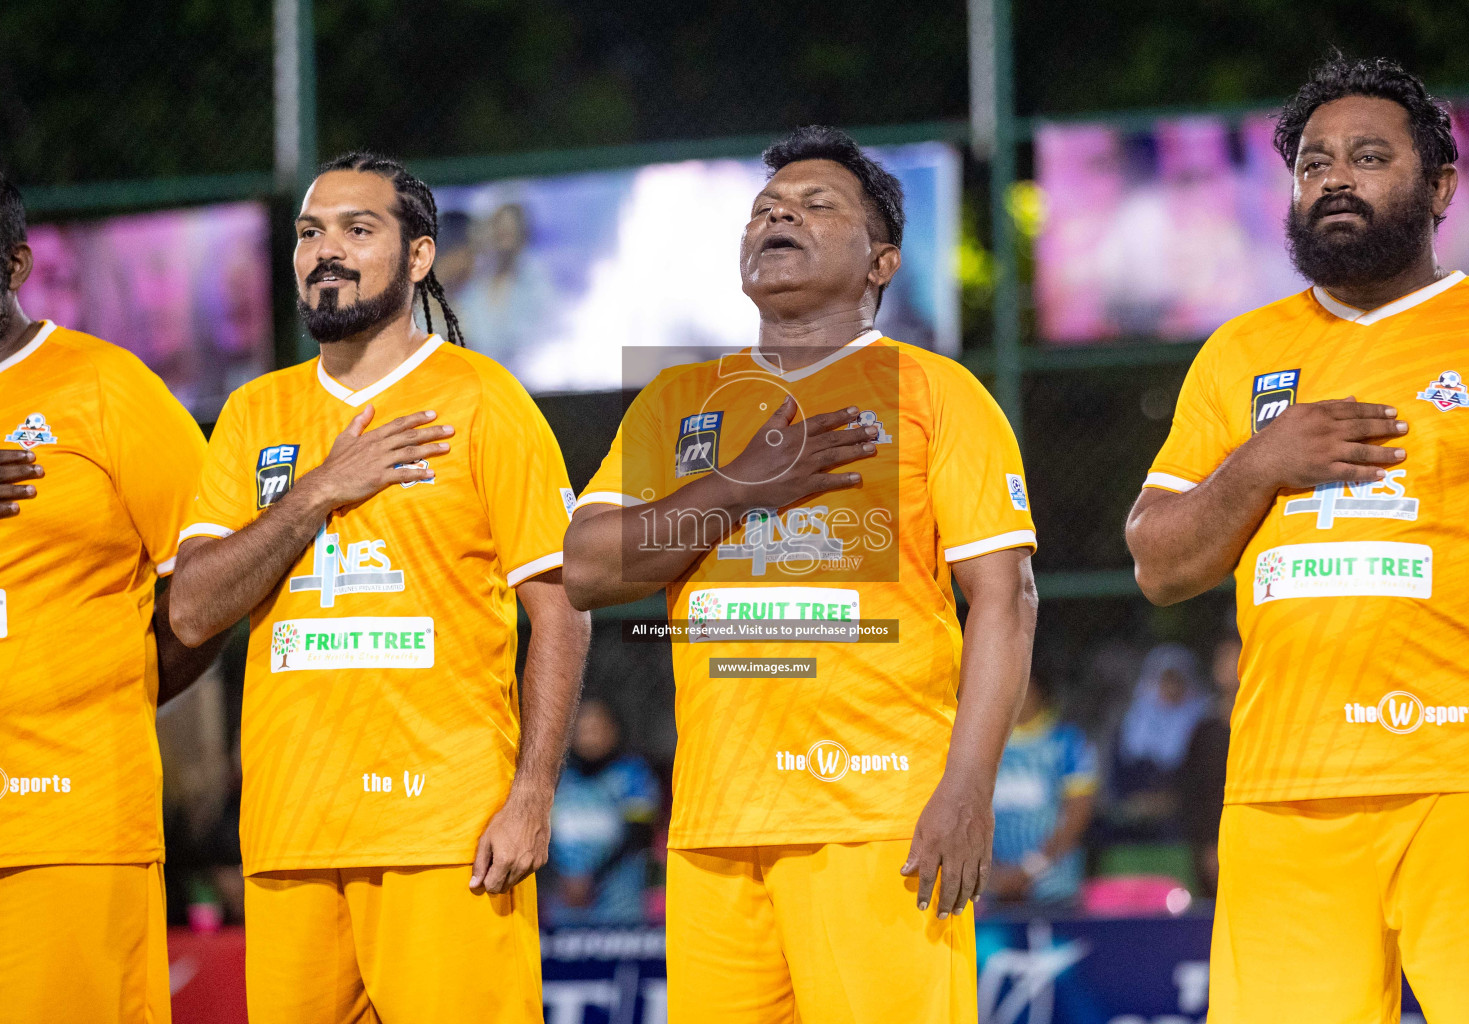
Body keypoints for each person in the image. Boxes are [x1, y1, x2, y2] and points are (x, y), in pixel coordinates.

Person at [563, 125, 1039, 1024]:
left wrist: (968, 790)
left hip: (881, 821)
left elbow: (1006, 601)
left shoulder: (939, 392)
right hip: (713, 827)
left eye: (818, 204)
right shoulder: (676, 399)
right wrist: (743, 483)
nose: (778, 212)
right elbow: (585, 568)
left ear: (881, 263)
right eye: (766, 208)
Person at [1126, 54, 1469, 1023]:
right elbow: (1158, 560)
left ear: (1439, 188)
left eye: (1367, 156)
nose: (1334, 178)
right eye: (1312, 164)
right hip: (1283, 796)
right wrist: (1263, 461)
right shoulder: (1240, 354)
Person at [168, 152, 590, 1023]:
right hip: (289, 837)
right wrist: (321, 486)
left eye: (359, 230)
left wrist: (533, 796)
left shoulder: (484, 400)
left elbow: (563, 609)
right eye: (310, 232)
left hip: (447, 836)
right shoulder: (255, 413)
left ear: (419, 257)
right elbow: (195, 607)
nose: (328, 250)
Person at [0, 169, 221, 1023]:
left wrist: (118, 692)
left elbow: (213, 581)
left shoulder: (105, 388)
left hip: (66, 822)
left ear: (16, 264)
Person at [545, 698, 662, 925]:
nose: (590, 738)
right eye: (583, 730)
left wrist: (590, 878)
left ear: (613, 729)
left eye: (597, 729)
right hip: (564, 894)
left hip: (618, 895)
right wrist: (561, 878)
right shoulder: (557, 777)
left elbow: (639, 835)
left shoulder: (633, 774)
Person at [987, 674, 1099, 907]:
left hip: (1055, 889)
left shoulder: (1067, 741)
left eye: (1023, 687)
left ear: (1040, 692)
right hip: (993, 890)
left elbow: (1077, 815)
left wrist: (1029, 870)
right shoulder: (981, 745)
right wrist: (993, 877)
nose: (1014, 695)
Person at [1105, 643, 1209, 838]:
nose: (1171, 688)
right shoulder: (1130, 725)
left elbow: (1201, 781)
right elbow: (1117, 778)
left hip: (1182, 827)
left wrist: (1169, 802)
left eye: (1177, 680)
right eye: (1165, 680)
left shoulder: (1202, 725)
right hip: (1133, 825)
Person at [1177, 635, 1239, 895]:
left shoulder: (1270, 727)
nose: (1226, 665)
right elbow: (1194, 794)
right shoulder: (1205, 732)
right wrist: (1208, 846)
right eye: (1221, 657)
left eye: (1233, 656)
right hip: (1214, 848)